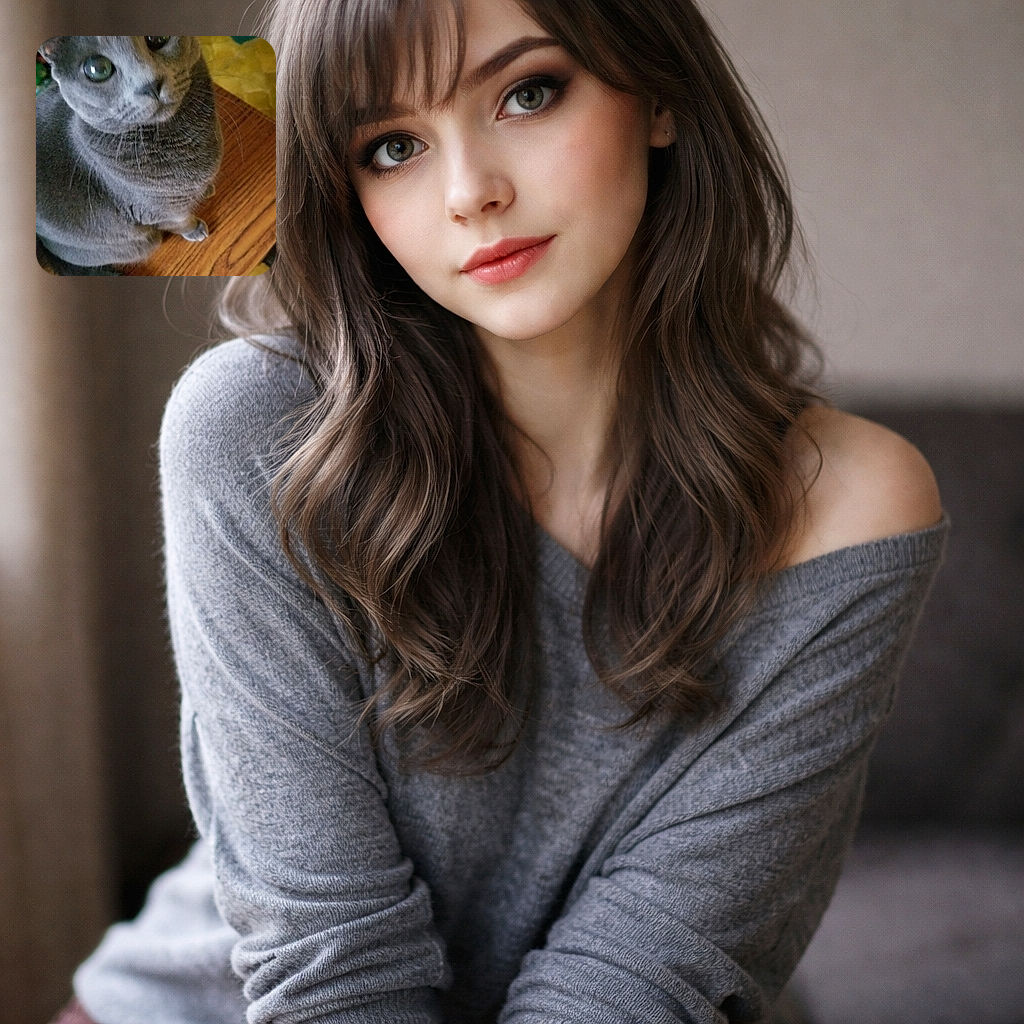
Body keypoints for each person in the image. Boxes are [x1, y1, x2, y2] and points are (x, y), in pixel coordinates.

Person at [59, 0, 946, 1021]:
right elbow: (330, 969)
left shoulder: (850, 504)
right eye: (392, 146)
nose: (470, 192)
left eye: (528, 93)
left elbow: (639, 980)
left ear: (655, 92)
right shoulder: (256, 428)